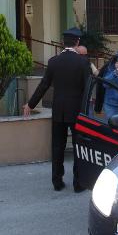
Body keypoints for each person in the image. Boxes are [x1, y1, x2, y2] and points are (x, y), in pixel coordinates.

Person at [23, 27, 90, 192]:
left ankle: (57, 181)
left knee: (57, 146)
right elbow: (87, 89)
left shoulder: (53, 61)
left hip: (58, 110)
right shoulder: (83, 62)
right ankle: (78, 183)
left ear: (62, 43)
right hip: (77, 112)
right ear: (77, 42)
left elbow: (44, 85)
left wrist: (30, 104)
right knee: (78, 147)